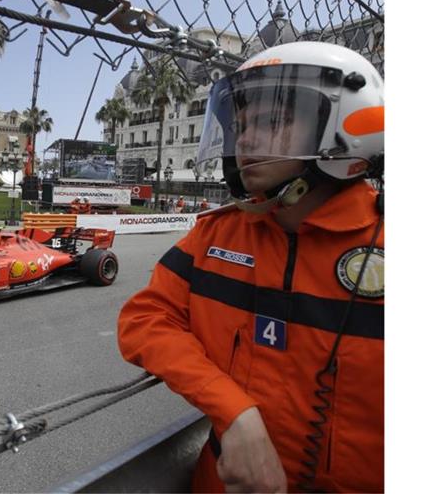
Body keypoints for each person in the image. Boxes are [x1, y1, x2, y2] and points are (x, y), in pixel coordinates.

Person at [117, 42, 384, 493]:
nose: (245, 140)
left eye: (272, 120)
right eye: (240, 125)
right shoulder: (216, 235)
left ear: (343, 126)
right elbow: (144, 320)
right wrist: (233, 409)